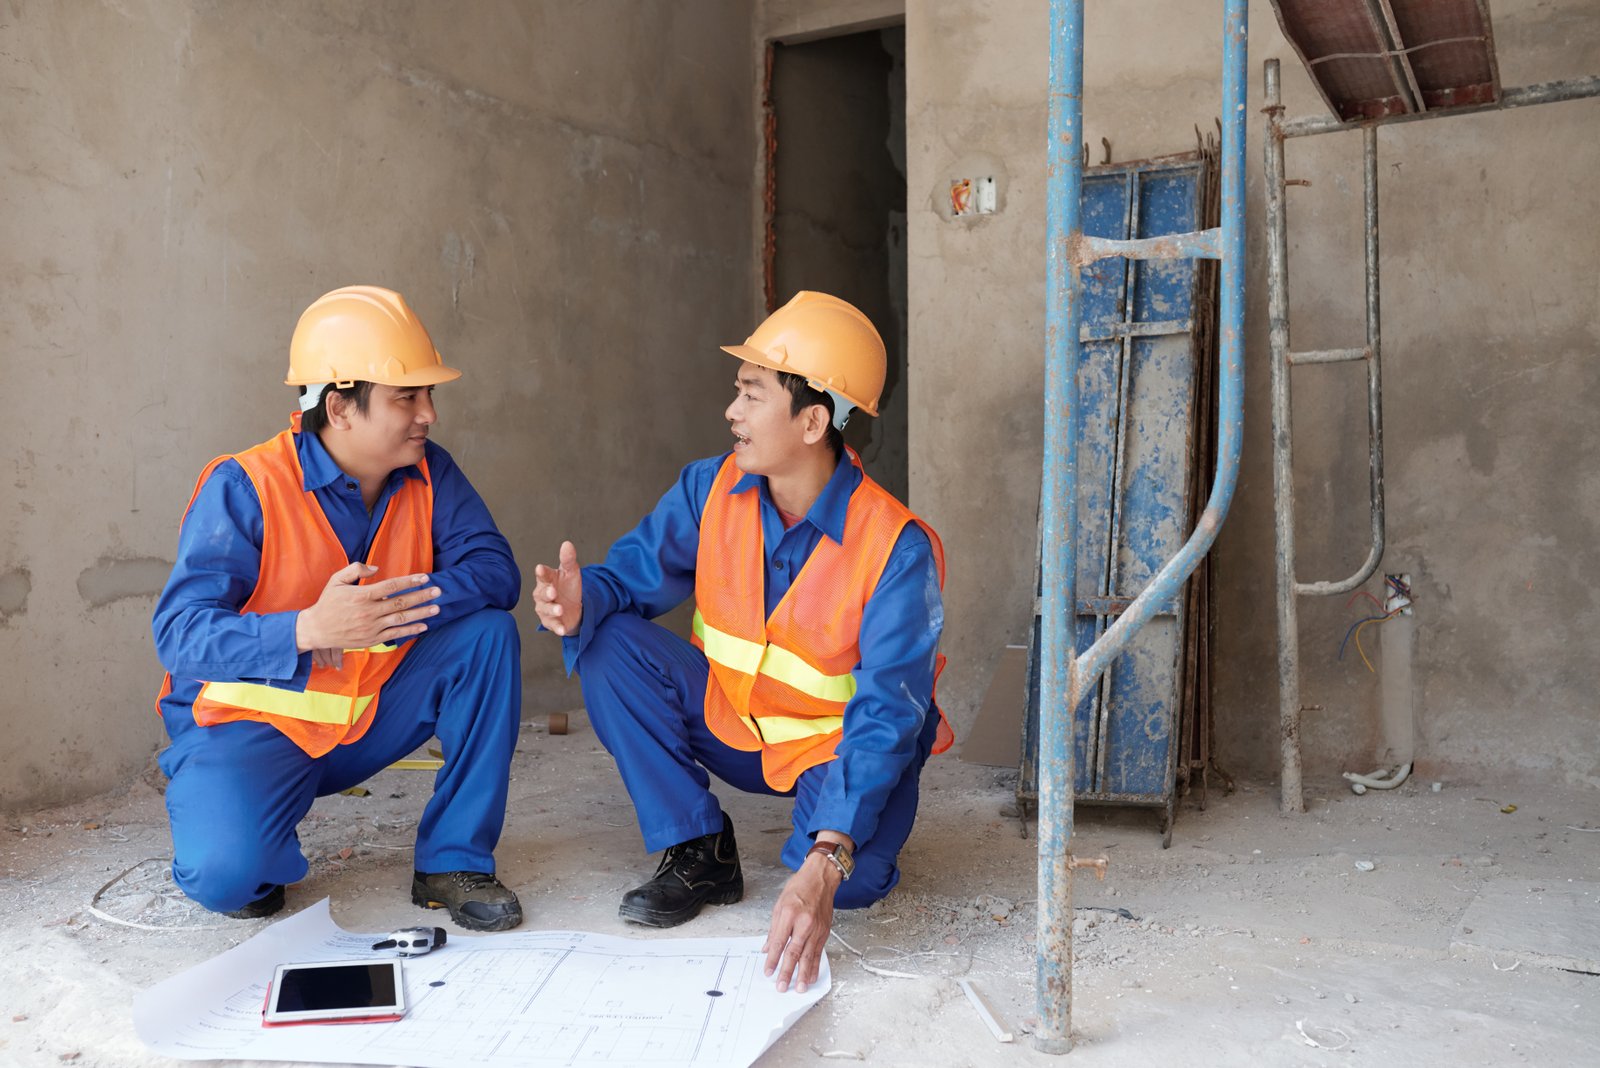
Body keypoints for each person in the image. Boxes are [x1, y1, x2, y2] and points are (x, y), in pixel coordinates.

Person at [532, 291, 951, 992]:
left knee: (851, 881)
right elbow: (631, 579)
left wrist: (826, 857)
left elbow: (888, 711)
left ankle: (828, 841)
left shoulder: (895, 549)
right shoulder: (711, 489)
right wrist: (584, 602)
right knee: (607, 644)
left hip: (830, 749)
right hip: (729, 722)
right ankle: (698, 847)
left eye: (752, 395)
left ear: (814, 421)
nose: (732, 412)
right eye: (739, 393)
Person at [152, 285, 524, 931]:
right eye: (407, 396)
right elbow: (180, 635)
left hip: (369, 714)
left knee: (489, 636)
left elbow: (496, 572)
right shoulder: (246, 486)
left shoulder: (432, 473)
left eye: (429, 394)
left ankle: (451, 859)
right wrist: (305, 629)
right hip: (253, 730)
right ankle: (252, 835)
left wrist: (389, 609)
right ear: (340, 408)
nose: (428, 413)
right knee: (226, 877)